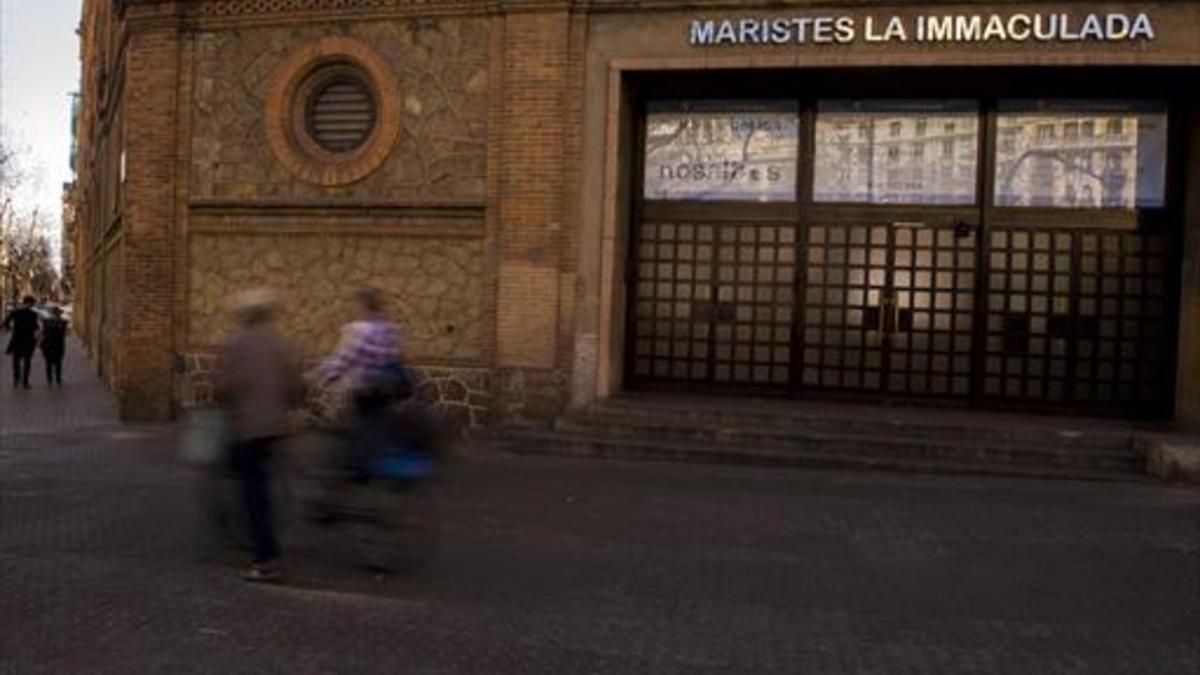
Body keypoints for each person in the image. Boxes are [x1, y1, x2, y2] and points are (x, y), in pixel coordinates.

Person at [214, 289, 305, 583]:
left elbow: (228, 384)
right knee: (262, 482)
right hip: (276, 425)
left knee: (254, 493)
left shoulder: (239, 342)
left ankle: (266, 560)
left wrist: (221, 394)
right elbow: (295, 383)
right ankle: (262, 538)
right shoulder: (280, 341)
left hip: (249, 427)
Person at [314, 287, 406, 479]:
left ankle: (361, 470)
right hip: (386, 386)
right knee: (375, 426)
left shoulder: (363, 330)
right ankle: (373, 465)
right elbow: (396, 356)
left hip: (367, 387)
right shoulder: (389, 328)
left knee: (362, 426)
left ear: (364, 306)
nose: (354, 309)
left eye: (357, 305)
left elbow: (346, 359)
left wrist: (327, 376)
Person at [2, 296, 40, 390]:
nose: (32, 306)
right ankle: (25, 382)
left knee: (16, 361)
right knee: (26, 361)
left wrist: (8, 328)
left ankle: (17, 379)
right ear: (30, 303)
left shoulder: (16, 312)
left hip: (17, 339)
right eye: (32, 304)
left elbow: (6, 322)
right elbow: (36, 327)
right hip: (28, 340)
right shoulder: (33, 314)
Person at [39, 306, 68, 388]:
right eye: (56, 313)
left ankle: (54, 380)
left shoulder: (59, 322)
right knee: (53, 364)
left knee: (54, 364)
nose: (57, 315)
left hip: (53, 345)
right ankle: (54, 380)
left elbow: (44, 333)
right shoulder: (60, 323)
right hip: (53, 345)